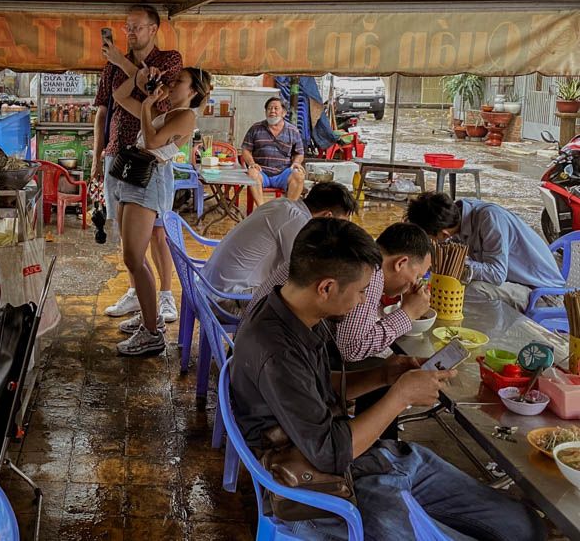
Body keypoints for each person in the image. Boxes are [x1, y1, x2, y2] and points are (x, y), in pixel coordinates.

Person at [231, 218, 545, 541]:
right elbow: (331, 452)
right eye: (362, 291)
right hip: (327, 487)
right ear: (325, 288)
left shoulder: (297, 313)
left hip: (371, 461)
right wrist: (400, 396)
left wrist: (385, 374)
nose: (363, 301)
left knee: (525, 527)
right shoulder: (276, 350)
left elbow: (316, 385)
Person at [108, 65, 212, 356]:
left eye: (180, 81)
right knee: (133, 256)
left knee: (134, 257)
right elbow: (119, 96)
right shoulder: (169, 113)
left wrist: (146, 104)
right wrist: (141, 82)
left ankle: (152, 333)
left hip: (149, 181)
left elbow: (152, 142)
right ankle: (149, 315)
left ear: (193, 91)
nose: (172, 83)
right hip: (136, 177)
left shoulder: (187, 116)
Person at [92, 4, 184, 323]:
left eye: (136, 27)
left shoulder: (169, 60)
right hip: (117, 155)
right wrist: (97, 157)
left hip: (151, 157)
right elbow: (104, 110)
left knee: (157, 231)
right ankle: (136, 292)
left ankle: (166, 295)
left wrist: (123, 63)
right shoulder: (111, 67)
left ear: (153, 29)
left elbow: (158, 100)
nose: (130, 33)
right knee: (126, 233)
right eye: (126, 27)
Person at [248, 221, 434, 360]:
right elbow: (352, 348)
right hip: (272, 346)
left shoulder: (352, 253)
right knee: (378, 365)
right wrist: (408, 313)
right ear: (400, 263)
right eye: (418, 275)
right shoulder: (370, 271)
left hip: (255, 329)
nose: (415, 283)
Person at [406, 192, 563, 311]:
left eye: (432, 238)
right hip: (514, 284)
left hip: (543, 293)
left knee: (469, 291)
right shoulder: (457, 220)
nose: (433, 242)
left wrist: (458, 265)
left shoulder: (489, 218)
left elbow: (496, 274)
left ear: (443, 234)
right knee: (443, 284)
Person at [202, 181, 357, 295]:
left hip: (210, 286)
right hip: (227, 298)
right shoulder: (297, 220)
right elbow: (304, 272)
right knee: (310, 300)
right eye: (339, 224)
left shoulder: (283, 204)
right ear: (328, 216)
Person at [241, 96, 305, 206]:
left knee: (299, 175)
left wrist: (296, 163)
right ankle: (261, 209)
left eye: (276, 108)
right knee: (252, 173)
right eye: (269, 108)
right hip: (262, 172)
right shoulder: (256, 128)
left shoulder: (293, 131)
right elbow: (246, 150)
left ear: (283, 112)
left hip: (283, 173)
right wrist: (252, 163)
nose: (272, 111)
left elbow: (299, 153)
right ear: (265, 112)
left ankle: (288, 209)